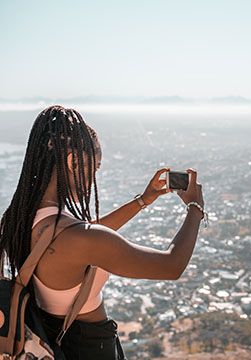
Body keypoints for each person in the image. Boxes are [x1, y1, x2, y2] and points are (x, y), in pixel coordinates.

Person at [0, 105, 205, 359]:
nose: (93, 178)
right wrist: (195, 209)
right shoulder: (78, 238)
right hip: (90, 347)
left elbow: (87, 237)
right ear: (73, 161)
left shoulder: (21, 219)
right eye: (94, 168)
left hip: (50, 338)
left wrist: (142, 201)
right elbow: (171, 266)